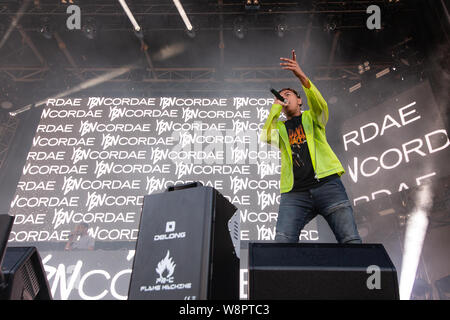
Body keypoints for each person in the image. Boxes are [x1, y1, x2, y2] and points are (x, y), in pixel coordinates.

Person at [260, 49, 361, 244]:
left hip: (328, 186)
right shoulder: (280, 128)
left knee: (350, 240)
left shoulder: (311, 118)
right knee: (282, 242)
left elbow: (321, 106)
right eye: (280, 96)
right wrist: (275, 108)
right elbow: (265, 136)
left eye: (288, 94)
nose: (283, 98)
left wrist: (302, 77)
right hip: (295, 194)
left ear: (299, 100)